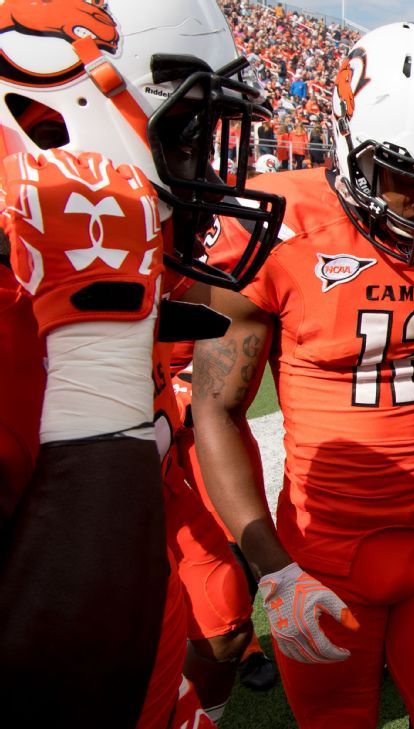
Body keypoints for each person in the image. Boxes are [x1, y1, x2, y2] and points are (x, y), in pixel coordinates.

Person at [190, 23, 414, 728]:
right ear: (346, 139)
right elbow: (215, 409)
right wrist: (273, 565)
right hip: (320, 548)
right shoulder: (277, 222)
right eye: (409, 178)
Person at [0, 0, 285, 725]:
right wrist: (94, 337)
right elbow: (56, 691)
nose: (214, 176)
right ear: (62, 113)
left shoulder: (103, 274)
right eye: (188, 133)